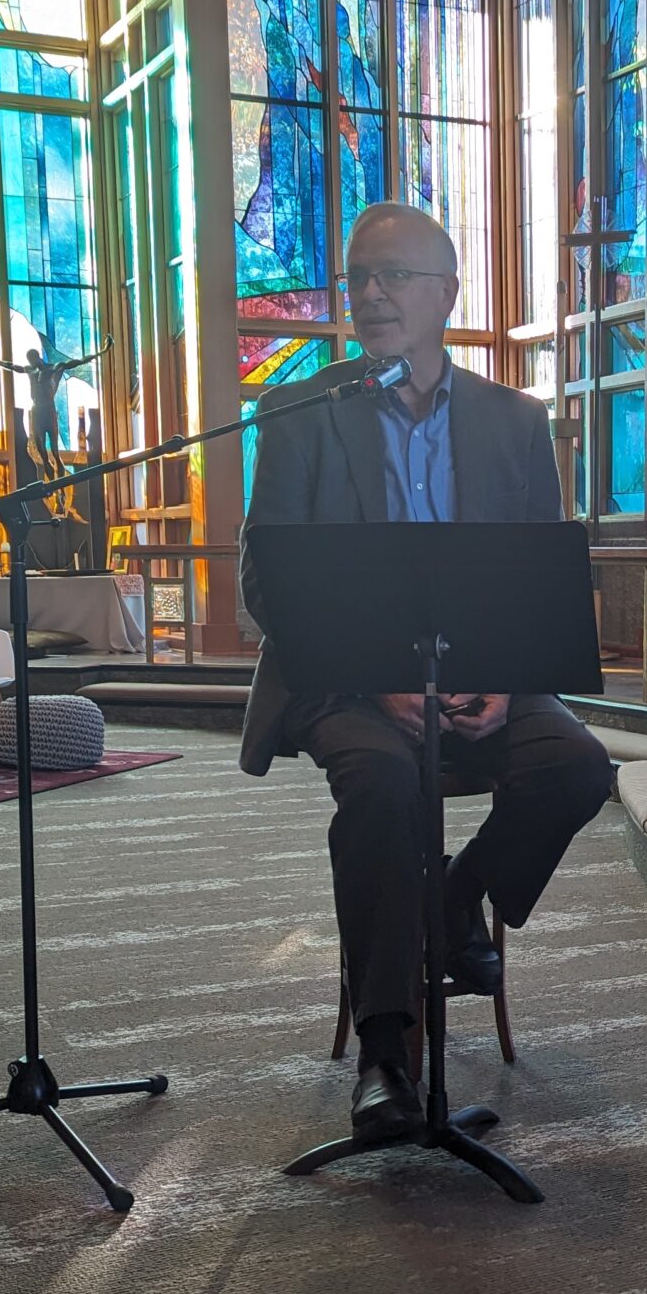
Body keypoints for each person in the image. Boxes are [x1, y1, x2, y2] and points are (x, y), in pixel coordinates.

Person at [240, 202, 614, 1143]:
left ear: (446, 293)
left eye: (394, 275)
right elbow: (267, 582)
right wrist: (376, 678)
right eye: (358, 277)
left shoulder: (515, 422)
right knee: (381, 782)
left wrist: (504, 676)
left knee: (578, 768)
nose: (370, 293)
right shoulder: (300, 412)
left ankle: (453, 899)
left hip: (482, 673)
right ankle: (385, 1056)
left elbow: (535, 578)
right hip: (346, 680)